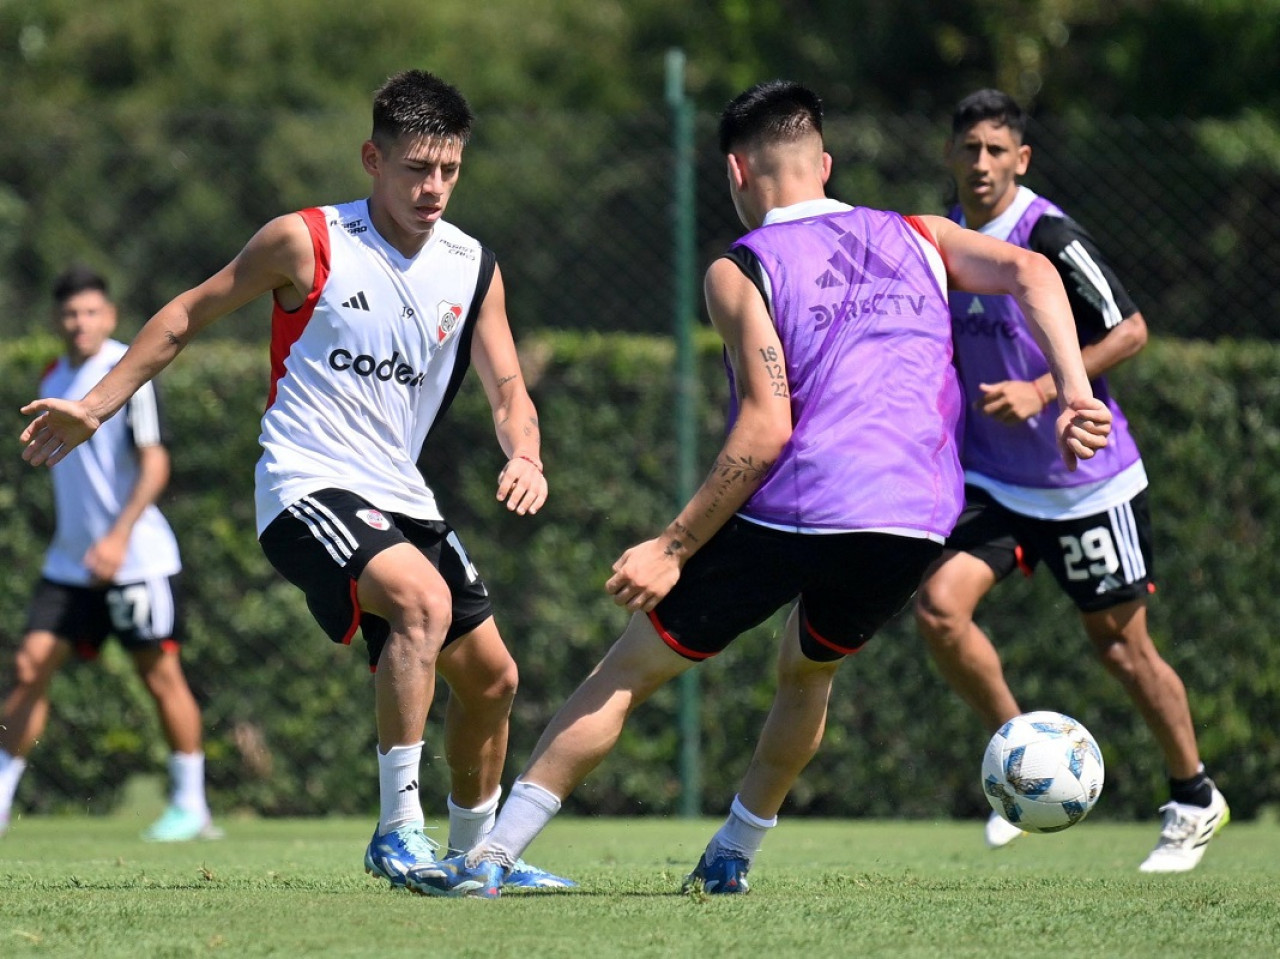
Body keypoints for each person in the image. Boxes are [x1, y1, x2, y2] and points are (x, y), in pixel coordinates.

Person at [410, 79, 1111, 898]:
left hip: (803, 503)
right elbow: (1032, 270)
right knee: (808, 670)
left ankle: (488, 858)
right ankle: (733, 852)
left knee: (627, 671)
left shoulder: (742, 269)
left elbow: (767, 426)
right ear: (825, 162)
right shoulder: (919, 234)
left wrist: (671, 547)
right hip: (916, 517)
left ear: (737, 173)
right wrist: (1076, 392)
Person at [19, 70, 572, 891]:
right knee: (422, 601)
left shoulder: (473, 267)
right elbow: (182, 317)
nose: (433, 188)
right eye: (416, 167)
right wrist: (95, 407)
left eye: (449, 170)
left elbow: (507, 391)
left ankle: (480, 858)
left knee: (493, 679)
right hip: (305, 484)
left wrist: (524, 452)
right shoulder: (305, 240)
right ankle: (397, 833)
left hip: (399, 494)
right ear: (370, 160)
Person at [913, 89, 1228, 872]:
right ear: (951, 155)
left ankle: (1194, 797)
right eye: (969, 148)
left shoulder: (1048, 234)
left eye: (997, 149)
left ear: (1021, 159)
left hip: (1088, 484)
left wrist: (1045, 390)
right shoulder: (941, 236)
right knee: (938, 610)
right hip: (995, 482)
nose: (980, 162)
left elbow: (1132, 329)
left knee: (1121, 650)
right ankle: (1023, 760)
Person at [0, 266, 218, 842]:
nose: (80, 323)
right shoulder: (53, 376)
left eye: (91, 312)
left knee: (160, 676)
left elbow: (156, 463)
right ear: (57, 320)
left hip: (136, 559)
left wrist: (119, 536)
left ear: (111, 316)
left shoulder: (127, 371)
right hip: (69, 562)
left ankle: (191, 806)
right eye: (70, 314)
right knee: (28, 669)